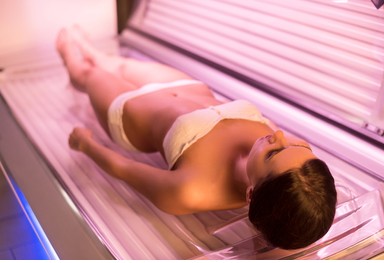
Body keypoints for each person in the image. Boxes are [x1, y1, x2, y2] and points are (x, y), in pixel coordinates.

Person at [56, 26, 337, 250]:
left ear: (251, 193)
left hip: (129, 112)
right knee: (112, 63)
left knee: (87, 72)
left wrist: (85, 144)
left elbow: (125, 169)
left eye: (273, 153)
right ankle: (91, 48)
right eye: (297, 147)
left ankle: (68, 48)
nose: (278, 136)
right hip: (184, 86)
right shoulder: (299, 164)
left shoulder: (192, 190)